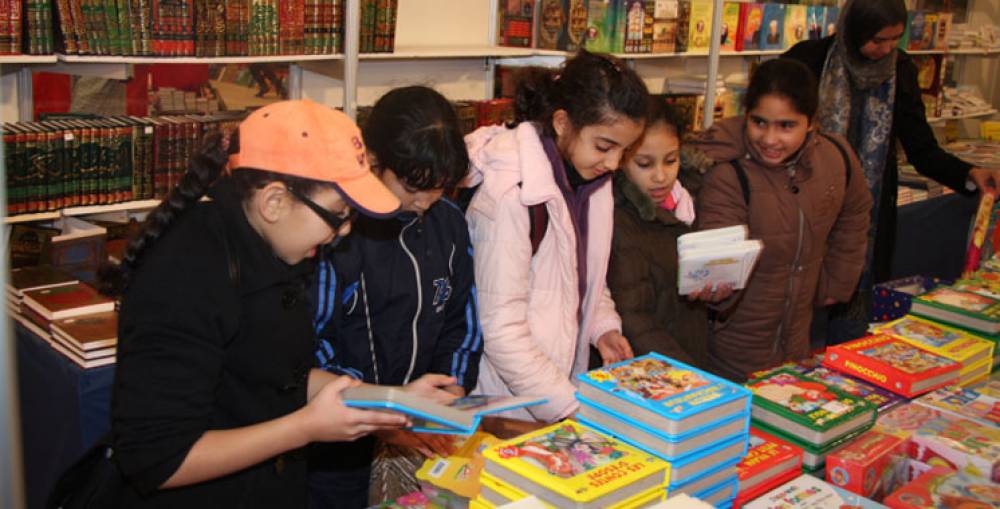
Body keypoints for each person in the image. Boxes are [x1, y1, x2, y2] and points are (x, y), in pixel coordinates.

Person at [106, 100, 410, 508]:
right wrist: (305, 428)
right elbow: (158, 459)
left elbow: (272, 376)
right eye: (338, 215)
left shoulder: (275, 247)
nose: (345, 231)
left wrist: (392, 400)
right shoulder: (187, 273)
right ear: (274, 203)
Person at [784, 0, 1000, 344]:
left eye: (894, 40)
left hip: (866, 220)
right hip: (804, 211)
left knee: (849, 326)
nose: (885, 49)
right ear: (854, 30)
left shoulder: (900, 71)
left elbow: (921, 148)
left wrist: (969, 172)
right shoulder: (807, 60)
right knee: (796, 319)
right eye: (877, 40)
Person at [308, 86, 481, 508]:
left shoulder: (449, 224)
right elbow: (314, 348)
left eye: (440, 187)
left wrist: (450, 394)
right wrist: (386, 414)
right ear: (373, 160)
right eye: (412, 186)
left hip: (425, 427)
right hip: (338, 441)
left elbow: (463, 324)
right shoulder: (340, 232)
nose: (424, 201)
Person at [463, 50, 648, 421]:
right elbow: (500, 329)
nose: (613, 163)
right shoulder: (512, 192)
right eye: (604, 146)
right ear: (562, 122)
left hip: (556, 390)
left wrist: (603, 327)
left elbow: (577, 274)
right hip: (505, 406)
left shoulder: (589, 177)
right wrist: (568, 406)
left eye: (624, 151)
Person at [688, 58, 872, 382]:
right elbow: (719, 259)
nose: (770, 139)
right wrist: (715, 284)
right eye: (759, 123)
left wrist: (838, 279)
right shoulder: (729, 174)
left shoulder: (836, 157)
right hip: (735, 348)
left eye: (786, 126)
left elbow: (855, 212)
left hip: (798, 340)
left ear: (811, 122)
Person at [607, 99, 713, 368]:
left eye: (671, 160)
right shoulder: (618, 220)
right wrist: (687, 372)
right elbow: (633, 318)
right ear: (620, 160)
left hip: (689, 352)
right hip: (654, 371)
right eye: (644, 164)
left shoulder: (690, 201)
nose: (661, 176)